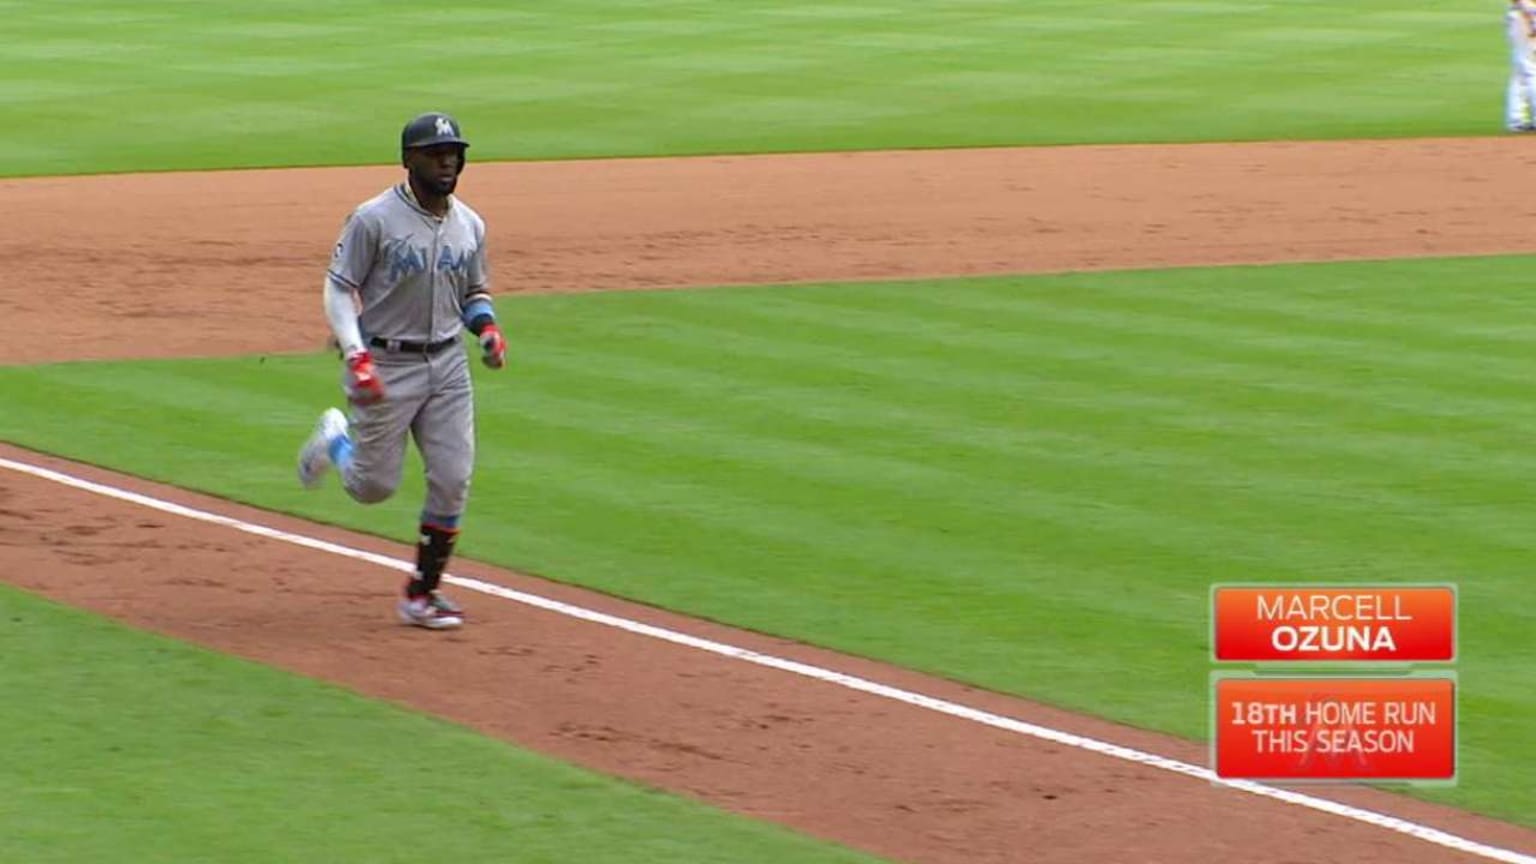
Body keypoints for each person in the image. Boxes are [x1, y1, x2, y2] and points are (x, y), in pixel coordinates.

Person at [296, 111, 508, 630]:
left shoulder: (470, 224)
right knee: (373, 488)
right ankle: (335, 440)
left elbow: (474, 292)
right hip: (386, 362)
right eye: (435, 153)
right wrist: (355, 354)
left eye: (454, 153)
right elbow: (340, 288)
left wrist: (486, 328)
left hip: (448, 363)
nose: (447, 161)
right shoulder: (373, 218)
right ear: (408, 159)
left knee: (454, 478)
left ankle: (421, 594)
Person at [1509, 0, 1536, 131]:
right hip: (1525, 15)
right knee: (1529, 71)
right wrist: (1531, 20)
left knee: (1521, 74)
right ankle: (1516, 120)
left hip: (1524, 14)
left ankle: (1515, 120)